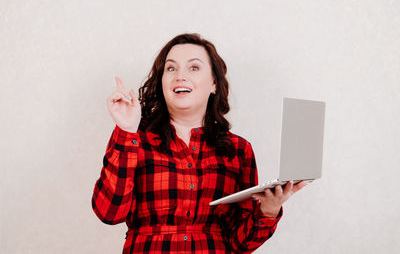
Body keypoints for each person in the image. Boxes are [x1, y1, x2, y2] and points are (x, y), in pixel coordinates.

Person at [91, 33, 307, 253]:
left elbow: (239, 244)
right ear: (162, 82)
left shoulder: (238, 150)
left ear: (213, 83)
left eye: (193, 68)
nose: (179, 76)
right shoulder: (134, 138)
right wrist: (127, 131)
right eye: (171, 68)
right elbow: (109, 212)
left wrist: (268, 210)